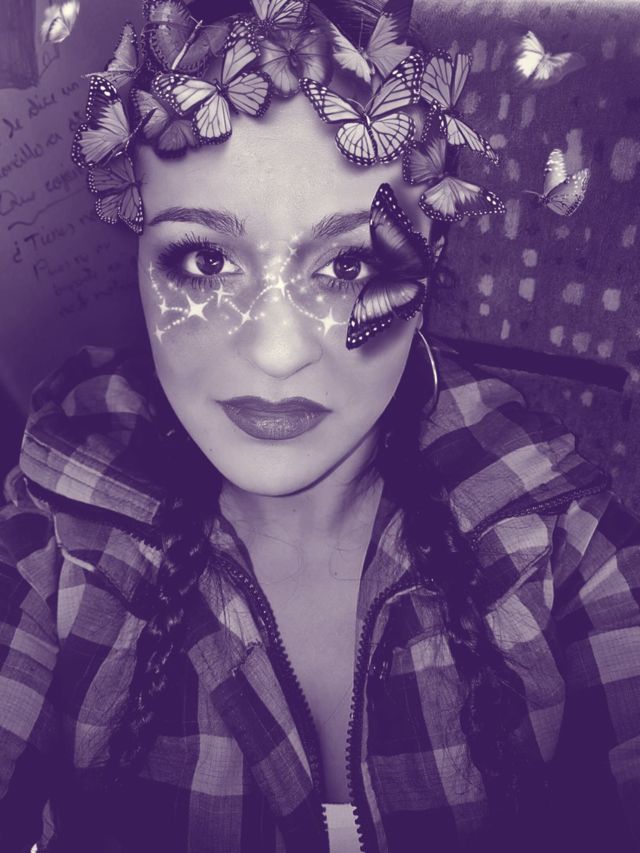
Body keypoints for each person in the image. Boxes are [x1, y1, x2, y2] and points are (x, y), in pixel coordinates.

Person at [1, 1, 639, 851]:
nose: (275, 352)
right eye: (204, 258)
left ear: (428, 266)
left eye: (350, 262)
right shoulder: (55, 540)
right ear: (140, 260)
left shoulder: (562, 539)